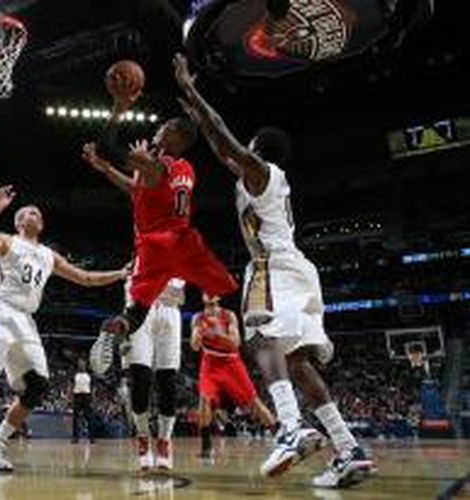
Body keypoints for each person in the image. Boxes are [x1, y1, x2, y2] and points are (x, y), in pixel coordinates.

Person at [174, 53, 375, 488]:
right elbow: (221, 146)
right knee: (298, 362)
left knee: (262, 339)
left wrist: (194, 92)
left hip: (272, 268)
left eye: (245, 147)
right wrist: (200, 119)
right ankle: (349, 450)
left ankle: (290, 427)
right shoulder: (260, 179)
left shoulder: (262, 171)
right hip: (297, 269)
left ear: (256, 149)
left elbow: (228, 143)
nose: (237, 153)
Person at [0, 185, 126, 472]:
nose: (34, 213)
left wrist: (120, 274)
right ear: (19, 223)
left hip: (27, 321)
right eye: (28, 211)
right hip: (1, 311)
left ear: (41, 224)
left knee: (38, 387)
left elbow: (86, 278)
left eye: (37, 212)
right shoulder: (7, 241)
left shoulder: (48, 255)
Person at [82, 81, 238, 376]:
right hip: (184, 243)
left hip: (155, 245)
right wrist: (108, 169)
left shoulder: (159, 165)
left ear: (175, 136)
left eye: (164, 126)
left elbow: (106, 147)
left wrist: (118, 109)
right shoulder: (185, 169)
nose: (158, 128)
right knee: (227, 289)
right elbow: (137, 190)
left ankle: (115, 329)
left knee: (137, 310)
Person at [191, 293, 275, 458]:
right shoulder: (197, 318)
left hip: (231, 364)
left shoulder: (228, 315)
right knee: (204, 399)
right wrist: (198, 335)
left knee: (254, 402)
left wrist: (217, 333)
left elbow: (236, 343)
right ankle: (206, 448)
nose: (208, 295)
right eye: (205, 292)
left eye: (212, 292)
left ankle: (280, 436)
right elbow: (194, 347)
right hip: (209, 364)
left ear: (218, 296)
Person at [120, 276, 185, 471]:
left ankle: (164, 442)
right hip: (140, 313)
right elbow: (130, 294)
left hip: (169, 314)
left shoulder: (177, 257)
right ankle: (143, 437)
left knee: (168, 382)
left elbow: (180, 297)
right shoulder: (138, 257)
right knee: (140, 380)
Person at [71, 359, 94, 444]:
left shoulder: (89, 375)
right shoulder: (74, 375)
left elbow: (92, 388)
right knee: (76, 418)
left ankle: (91, 437)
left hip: (86, 396)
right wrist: (69, 397)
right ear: (78, 365)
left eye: (83, 364)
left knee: (89, 418)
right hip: (77, 396)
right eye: (80, 364)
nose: (81, 365)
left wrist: (92, 398)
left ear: (85, 365)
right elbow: (71, 386)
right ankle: (75, 438)